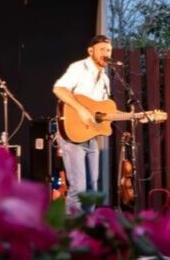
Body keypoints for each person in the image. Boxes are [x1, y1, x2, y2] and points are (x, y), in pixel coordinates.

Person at [52, 34, 115, 215]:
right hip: (72, 136)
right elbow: (59, 89)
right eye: (102, 49)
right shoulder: (79, 68)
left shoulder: (105, 79)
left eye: (109, 50)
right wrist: (80, 109)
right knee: (78, 189)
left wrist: (137, 116)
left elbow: (103, 111)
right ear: (91, 51)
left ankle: (87, 230)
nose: (106, 53)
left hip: (90, 136)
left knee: (91, 190)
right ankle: (71, 235)